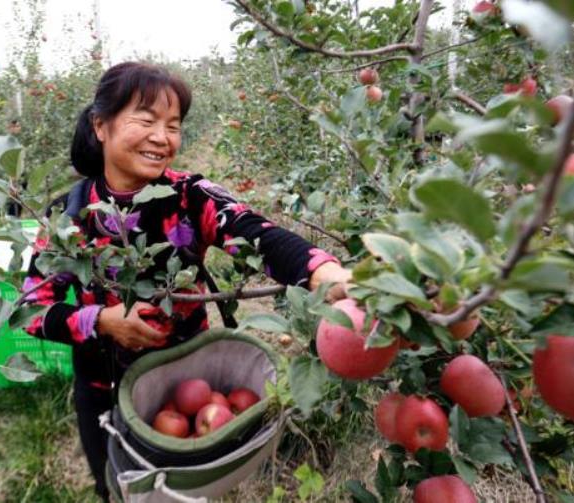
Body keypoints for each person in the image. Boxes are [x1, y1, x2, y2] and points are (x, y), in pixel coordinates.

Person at [21, 61, 351, 501]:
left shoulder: (190, 196)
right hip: (101, 387)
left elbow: (253, 230)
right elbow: (32, 309)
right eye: (146, 118)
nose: (163, 137)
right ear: (101, 125)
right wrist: (101, 320)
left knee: (185, 490)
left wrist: (320, 271)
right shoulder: (69, 217)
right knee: (114, 485)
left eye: (173, 125)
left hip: (186, 378)